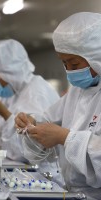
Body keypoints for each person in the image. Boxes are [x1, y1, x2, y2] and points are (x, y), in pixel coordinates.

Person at [15, 12, 101, 199]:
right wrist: (31, 124)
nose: (69, 71)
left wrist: (65, 137)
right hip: (74, 192)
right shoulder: (78, 91)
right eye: (64, 63)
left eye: (74, 63)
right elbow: (47, 120)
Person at [0, 39, 59, 161]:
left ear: (7, 72)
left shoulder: (36, 93)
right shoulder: (17, 92)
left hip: (44, 173)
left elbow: (33, 149)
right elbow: (15, 138)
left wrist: (3, 113)